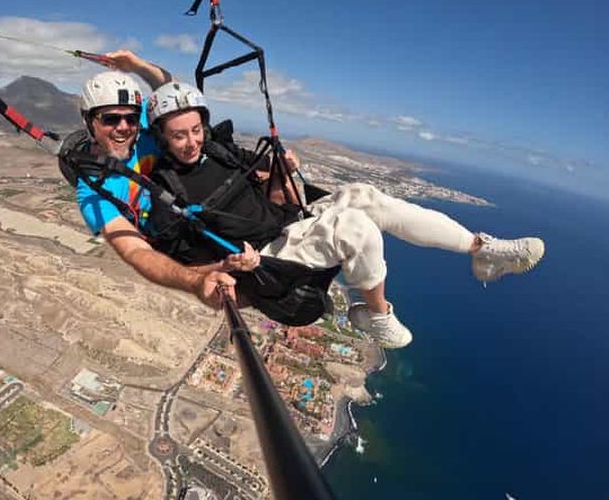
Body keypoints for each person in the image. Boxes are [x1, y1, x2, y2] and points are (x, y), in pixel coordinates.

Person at [143, 81, 546, 348]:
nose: (191, 141)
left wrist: (283, 165)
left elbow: (262, 171)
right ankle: (376, 315)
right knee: (353, 227)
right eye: (179, 135)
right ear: (162, 136)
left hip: (289, 225)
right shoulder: (166, 189)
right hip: (266, 261)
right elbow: (178, 264)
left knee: (364, 195)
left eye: (196, 130)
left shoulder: (218, 150)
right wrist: (227, 265)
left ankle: (480, 250)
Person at [70, 51, 237, 309]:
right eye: (110, 119)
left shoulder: (144, 128)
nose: (123, 127)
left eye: (131, 118)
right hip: (173, 237)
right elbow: (134, 251)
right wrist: (195, 283)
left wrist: (136, 65)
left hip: (197, 201)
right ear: (89, 122)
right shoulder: (92, 190)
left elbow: (173, 93)